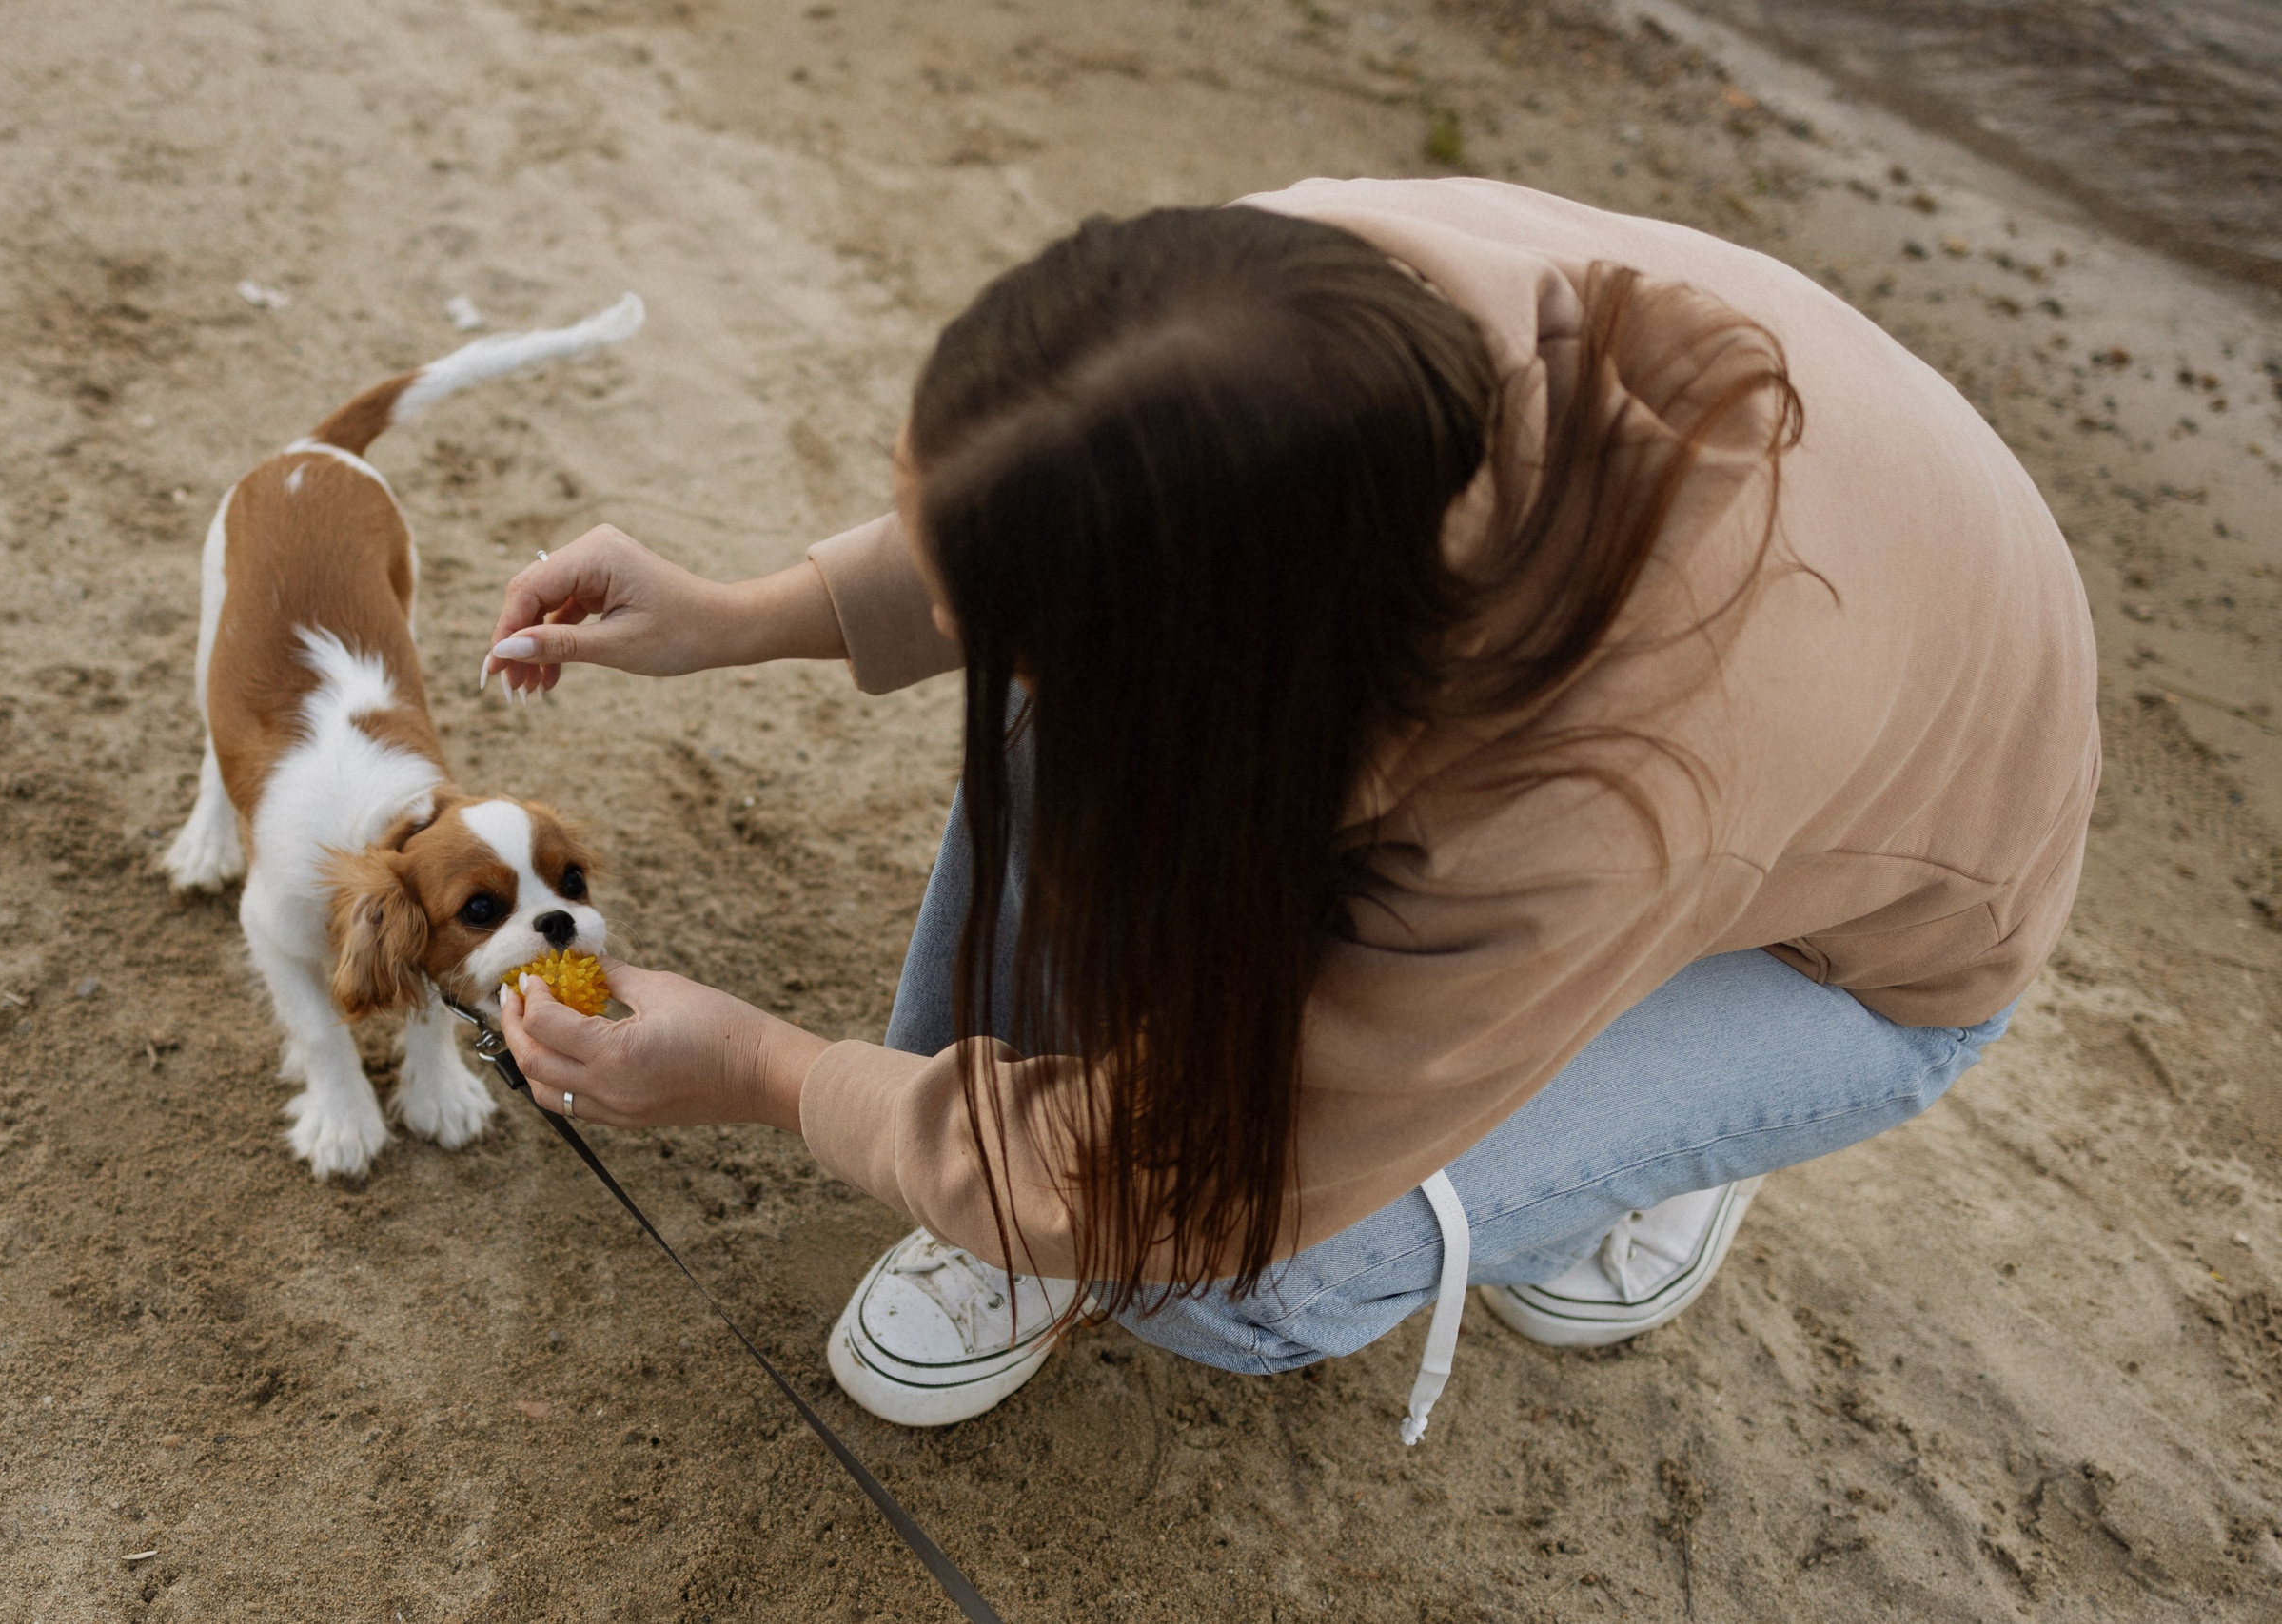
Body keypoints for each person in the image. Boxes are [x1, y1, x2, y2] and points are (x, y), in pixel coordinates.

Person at [478, 178, 2095, 1441]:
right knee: (1089, 709)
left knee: (1230, 1274)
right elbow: (1080, 502)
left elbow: (1197, 1190)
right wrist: (743, 612)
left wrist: (768, 1070)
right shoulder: (1284, 289)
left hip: (1843, 950)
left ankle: (1667, 1109)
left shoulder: (1604, 793)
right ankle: (999, 1153)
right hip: (1773, 688)